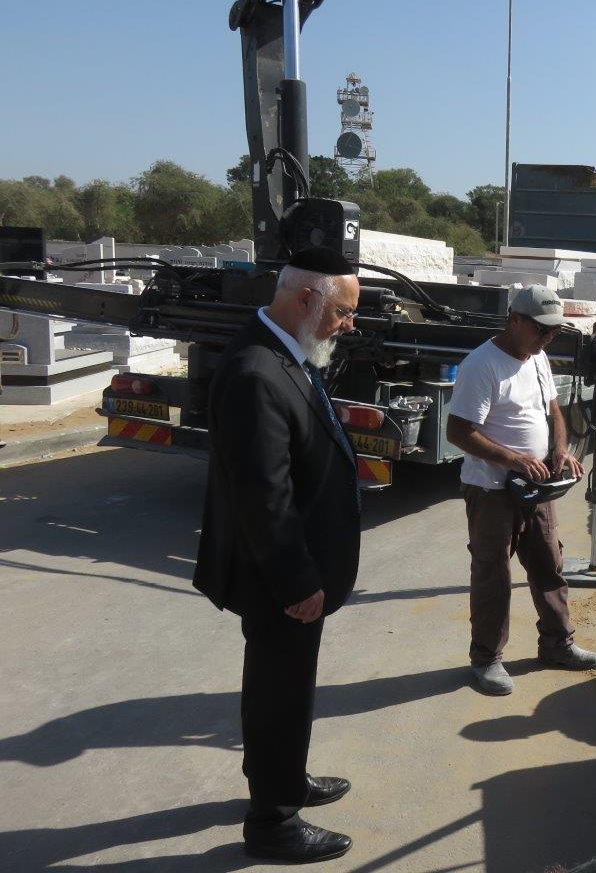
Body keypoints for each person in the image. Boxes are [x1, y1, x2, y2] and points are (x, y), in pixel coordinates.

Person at [194, 247, 362, 863]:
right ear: (305, 300)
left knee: (290, 688)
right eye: (342, 313)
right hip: (279, 578)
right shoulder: (255, 373)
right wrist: (297, 583)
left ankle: (287, 780)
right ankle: (273, 821)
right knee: (276, 693)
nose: (348, 325)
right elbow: (264, 496)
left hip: (297, 571)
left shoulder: (289, 351)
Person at [446, 285, 596, 696]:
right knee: (492, 573)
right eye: (541, 330)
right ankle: (486, 660)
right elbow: (458, 432)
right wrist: (513, 459)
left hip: (536, 487)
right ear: (514, 320)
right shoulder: (482, 365)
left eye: (553, 332)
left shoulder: (537, 358)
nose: (548, 338)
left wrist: (559, 449)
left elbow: (554, 410)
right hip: (492, 490)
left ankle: (558, 644)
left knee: (549, 563)